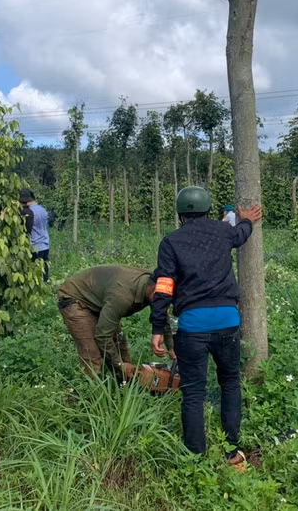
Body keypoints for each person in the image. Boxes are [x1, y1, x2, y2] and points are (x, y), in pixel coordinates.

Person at [150, 186, 262, 470]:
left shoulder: (171, 241)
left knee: (194, 393)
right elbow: (240, 234)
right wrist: (247, 219)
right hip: (227, 322)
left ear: (180, 213)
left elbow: (163, 287)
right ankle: (231, 451)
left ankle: (194, 458)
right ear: (208, 209)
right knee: (230, 384)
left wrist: (157, 328)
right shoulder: (222, 232)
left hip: (192, 326)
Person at [57, 264, 175, 380]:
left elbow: (161, 315)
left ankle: (125, 386)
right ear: (154, 291)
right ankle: (91, 394)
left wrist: (171, 348)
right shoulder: (123, 297)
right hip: (76, 298)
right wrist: (119, 365)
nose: (166, 303)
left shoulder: (154, 286)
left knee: (119, 343)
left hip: (101, 298)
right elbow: (102, 335)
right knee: (92, 352)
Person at [20, 189, 50, 282]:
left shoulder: (30, 212)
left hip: (35, 245)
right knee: (44, 265)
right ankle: (46, 283)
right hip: (45, 244)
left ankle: (37, 285)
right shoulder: (43, 209)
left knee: (35, 265)